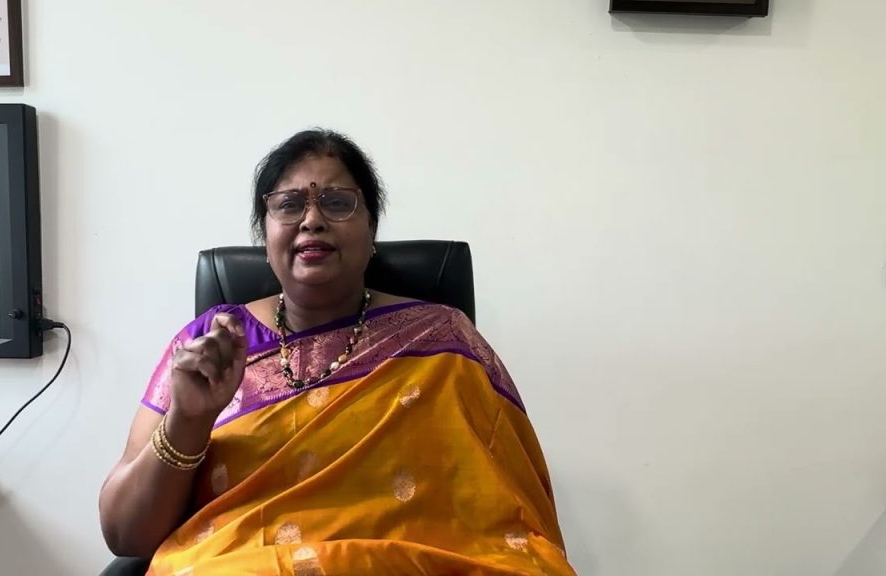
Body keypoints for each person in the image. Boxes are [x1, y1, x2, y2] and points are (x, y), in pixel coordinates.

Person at [99, 130, 577, 575]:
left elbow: (504, 521)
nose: (312, 220)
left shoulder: (443, 339)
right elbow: (125, 534)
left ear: (371, 232)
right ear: (265, 237)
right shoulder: (208, 345)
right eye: (289, 205)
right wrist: (188, 420)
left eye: (337, 202)